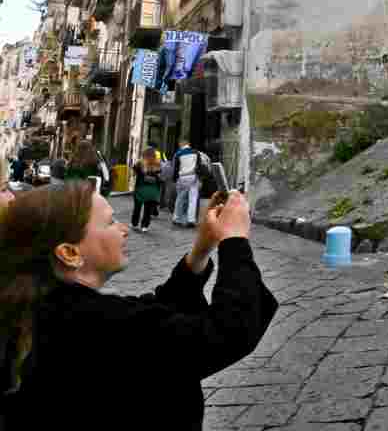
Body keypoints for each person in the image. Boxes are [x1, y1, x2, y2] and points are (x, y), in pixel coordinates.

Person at [0, 182, 277, 430]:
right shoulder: (94, 323)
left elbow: (154, 314)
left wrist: (201, 250)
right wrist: (235, 241)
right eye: (110, 223)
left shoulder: (48, 307)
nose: (123, 230)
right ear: (70, 253)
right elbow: (228, 330)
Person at [131, 147, 165, 233]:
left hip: (141, 189)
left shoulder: (139, 163)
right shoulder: (158, 164)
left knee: (137, 208)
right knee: (148, 209)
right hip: (152, 190)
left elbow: (134, 172)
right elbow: (160, 177)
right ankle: (145, 226)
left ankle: (134, 223)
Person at [172, 141, 202, 227]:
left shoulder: (178, 154)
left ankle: (177, 218)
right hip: (193, 177)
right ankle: (191, 219)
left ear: (182, 145)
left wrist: (174, 180)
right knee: (193, 199)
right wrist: (199, 178)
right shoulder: (196, 153)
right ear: (189, 144)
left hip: (182, 177)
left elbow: (176, 168)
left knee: (180, 198)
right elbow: (199, 166)